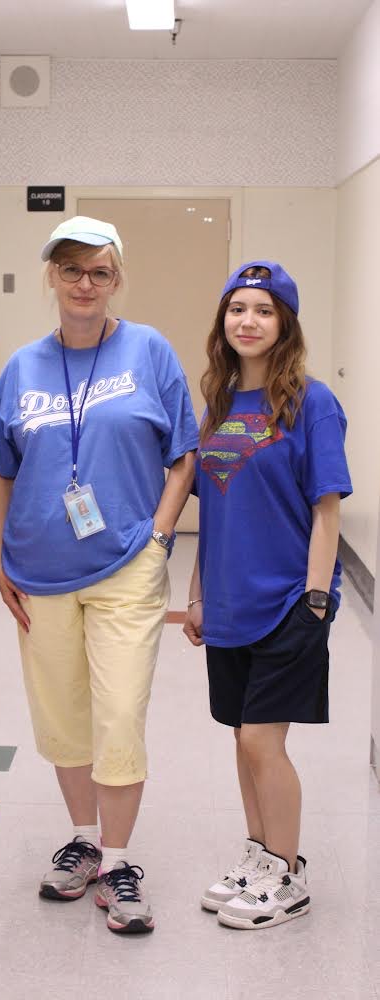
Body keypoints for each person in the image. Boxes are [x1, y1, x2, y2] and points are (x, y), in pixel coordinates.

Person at [0, 216, 199, 934]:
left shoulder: (148, 351)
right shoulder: (21, 366)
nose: (83, 283)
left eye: (98, 271)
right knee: (62, 718)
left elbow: (184, 454)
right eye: (70, 269)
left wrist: (160, 536)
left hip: (125, 568)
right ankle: (82, 840)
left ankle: (118, 859)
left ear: (116, 281)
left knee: (118, 715)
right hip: (38, 571)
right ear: (50, 276)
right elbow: (4, 471)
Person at [183, 260, 352, 930]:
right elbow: (212, 515)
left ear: (283, 323)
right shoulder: (219, 406)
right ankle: (258, 855)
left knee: (261, 739)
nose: (247, 321)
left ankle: (287, 873)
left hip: (287, 598)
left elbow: (326, 510)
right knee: (239, 736)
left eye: (262, 309)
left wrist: (315, 599)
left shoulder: (311, 403)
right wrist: (196, 594)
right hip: (226, 602)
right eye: (236, 309)